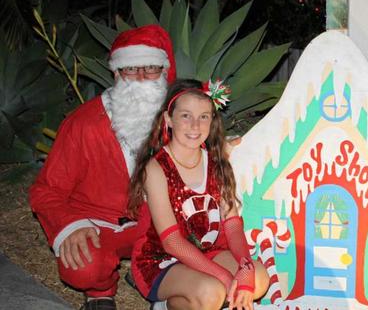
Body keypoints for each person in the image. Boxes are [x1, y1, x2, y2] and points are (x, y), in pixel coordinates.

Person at [29, 24, 177, 310]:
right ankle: (100, 291)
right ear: (116, 73)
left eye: (151, 68)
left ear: (166, 72)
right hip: (99, 228)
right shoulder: (83, 124)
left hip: (157, 224)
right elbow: (47, 190)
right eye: (130, 69)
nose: (141, 78)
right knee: (83, 266)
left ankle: (154, 276)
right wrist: (70, 226)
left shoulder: (178, 121)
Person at [127, 79, 269, 310]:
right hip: (162, 258)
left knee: (258, 279)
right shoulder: (156, 169)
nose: (195, 125)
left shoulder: (216, 163)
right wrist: (224, 277)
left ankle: (208, 291)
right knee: (212, 291)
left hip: (208, 251)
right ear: (168, 119)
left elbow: (232, 224)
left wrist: (245, 267)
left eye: (204, 116)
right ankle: (166, 305)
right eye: (186, 116)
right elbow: (172, 242)